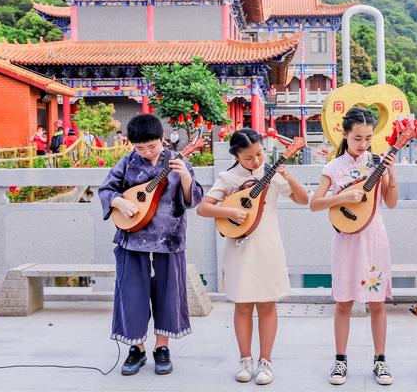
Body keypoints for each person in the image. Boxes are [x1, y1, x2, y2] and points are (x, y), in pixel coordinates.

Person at [196, 128, 308, 385]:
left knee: (268, 304)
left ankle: (266, 361)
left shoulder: (272, 173)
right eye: (248, 157)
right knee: (243, 304)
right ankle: (245, 359)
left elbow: (303, 200)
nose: (256, 161)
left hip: (268, 246)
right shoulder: (228, 178)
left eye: (259, 154)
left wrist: (288, 177)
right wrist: (228, 213)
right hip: (239, 248)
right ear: (236, 155)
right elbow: (203, 207)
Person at [98, 114, 203, 376]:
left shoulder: (179, 161)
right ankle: (137, 348)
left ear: (162, 139)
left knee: (169, 291)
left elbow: (194, 199)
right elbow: (106, 189)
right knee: (132, 292)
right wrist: (119, 202)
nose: (146, 152)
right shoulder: (127, 162)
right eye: (139, 147)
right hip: (132, 238)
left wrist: (186, 179)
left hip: (170, 236)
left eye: (152, 146)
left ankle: (162, 347)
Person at [309, 107, 398, 386]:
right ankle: (340, 360)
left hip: (374, 239)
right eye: (357, 138)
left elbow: (391, 202)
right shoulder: (333, 168)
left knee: (378, 303)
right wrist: (342, 197)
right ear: (345, 134)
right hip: (346, 241)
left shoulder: (378, 163)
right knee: (344, 303)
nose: (363, 144)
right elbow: (315, 204)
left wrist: (391, 175)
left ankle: (380, 361)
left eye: (368, 138)